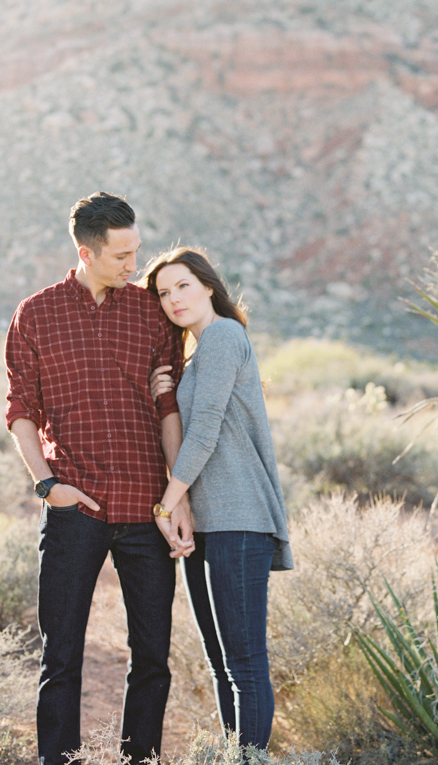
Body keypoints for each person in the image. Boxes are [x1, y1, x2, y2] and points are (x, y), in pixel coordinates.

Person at [4, 192, 194, 765]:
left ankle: (143, 761)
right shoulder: (35, 314)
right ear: (86, 252)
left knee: (153, 657)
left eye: (136, 251)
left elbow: (168, 409)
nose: (135, 266)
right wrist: (47, 486)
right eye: (121, 256)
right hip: (73, 509)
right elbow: (20, 412)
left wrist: (174, 495)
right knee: (60, 657)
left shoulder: (149, 314)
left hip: (145, 507)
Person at [140, 247, 293, 751]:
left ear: (208, 286)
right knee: (220, 660)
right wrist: (167, 390)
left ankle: (248, 760)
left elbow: (204, 433)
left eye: (182, 285)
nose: (173, 299)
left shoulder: (225, 335)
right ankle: (235, 756)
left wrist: (166, 505)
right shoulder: (197, 354)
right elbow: (189, 427)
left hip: (239, 519)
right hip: (205, 523)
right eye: (163, 292)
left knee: (244, 663)